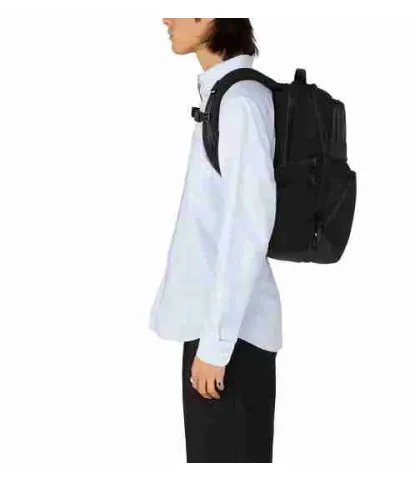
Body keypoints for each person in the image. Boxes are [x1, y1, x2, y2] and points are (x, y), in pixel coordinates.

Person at [150, 18, 282, 463]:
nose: (167, 18)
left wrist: (216, 347)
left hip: (229, 338)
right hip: (217, 328)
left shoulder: (240, 101)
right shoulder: (227, 95)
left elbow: (249, 225)